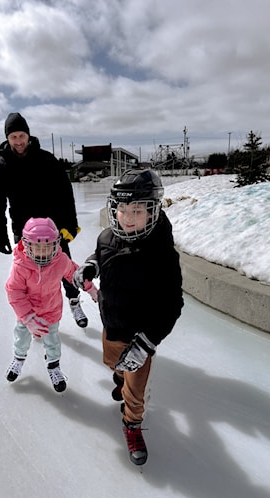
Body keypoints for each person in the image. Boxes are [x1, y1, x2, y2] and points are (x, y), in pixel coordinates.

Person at [73, 169, 183, 466]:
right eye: (122, 209)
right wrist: (90, 267)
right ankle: (119, 375)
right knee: (112, 363)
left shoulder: (161, 254)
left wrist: (146, 343)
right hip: (112, 323)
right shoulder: (107, 236)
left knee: (134, 393)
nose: (128, 217)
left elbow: (172, 305)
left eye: (137, 210)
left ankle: (132, 424)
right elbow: (100, 254)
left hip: (140, 335)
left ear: (153, 211)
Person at [0, 112, 88, 328]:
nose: (18, 141)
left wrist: (70, 223)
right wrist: (0, 236)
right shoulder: (1, 167)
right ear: (7, 138)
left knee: (64, 268)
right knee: (29, 277)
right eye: (13, 137)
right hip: (24, 231)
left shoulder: (46, 160)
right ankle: (33, 315)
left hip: (53, 229)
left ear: (28, 135)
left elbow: (65, 192)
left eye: (21, 136)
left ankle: (73, 301)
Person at [5, 217, 98, 391]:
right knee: (22, 337)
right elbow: (14, 292)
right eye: (37, 246)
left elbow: (74, 273)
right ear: (27, 245)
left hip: (51, 310)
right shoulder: (21, 266)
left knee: (52, 341)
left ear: (55, 244)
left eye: (47, 246)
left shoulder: (60, 260)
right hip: (27, 313)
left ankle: (54, 366)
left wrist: (90, 288)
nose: (42, 252)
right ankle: (18, 359)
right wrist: (28, 318)